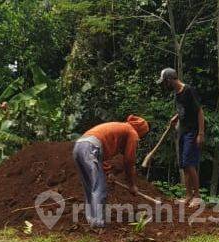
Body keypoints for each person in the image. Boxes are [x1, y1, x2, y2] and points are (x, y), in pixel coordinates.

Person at [73, 115, 150, 228]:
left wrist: (108, 172)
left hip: (79, 146)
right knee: (99, 188)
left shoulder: (121, 128)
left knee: (90, 188)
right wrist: (131, 185)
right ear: (141, 130)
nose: (141, 138)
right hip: (91, 148)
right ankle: (98, 223)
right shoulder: (132, 132)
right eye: (143, 134)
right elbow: (129, 160)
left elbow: (101, 156)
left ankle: (92, 221)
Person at [157, 68, 205, 208]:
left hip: (192, 131)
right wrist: (176, 117)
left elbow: (199, 111)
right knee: (183, 164)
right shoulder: (177, 94)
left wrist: (201, 133)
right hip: (182, 131)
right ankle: (188, 196)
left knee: (190, 163)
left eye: (165, 82)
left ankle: (197, 197)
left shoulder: (188, 90)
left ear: (170, 79)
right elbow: (184, 109)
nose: (164, 85)